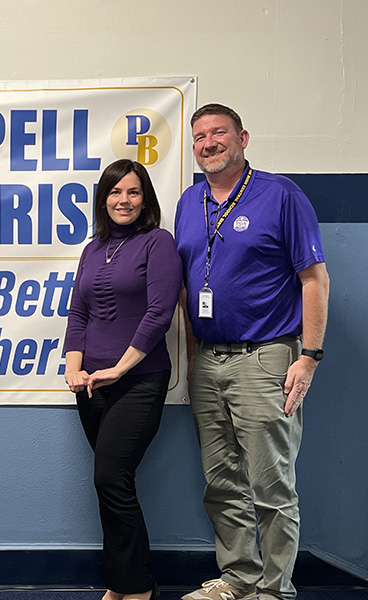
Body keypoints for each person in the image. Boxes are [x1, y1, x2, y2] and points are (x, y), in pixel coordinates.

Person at [174, 104, 329, 600]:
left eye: (218, 132)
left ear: (242, 137)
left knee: (271, 485)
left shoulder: (280, 194)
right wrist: (195, 350)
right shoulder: (189, 201)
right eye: (199, 136)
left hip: (266, 357)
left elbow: (314, 279)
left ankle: (275, 590)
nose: (209, 143)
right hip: (209, 359)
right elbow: (186, 281)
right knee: (221, 482)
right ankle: (238, 579)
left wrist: (309, 356)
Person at [64, 159, 182, 600]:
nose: (124, 200)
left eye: (133, 192)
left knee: (110, 478)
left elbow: (159, 314)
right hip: (91, 386)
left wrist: (120, 367)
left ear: (145, 198)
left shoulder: (158, 243)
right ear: (103, 199)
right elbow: (79, 313)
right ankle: (123, 582)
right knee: (111, 481)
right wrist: (73, 367)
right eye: (115, 192)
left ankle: (136, 588)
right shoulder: (93, 248)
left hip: (139, 380)